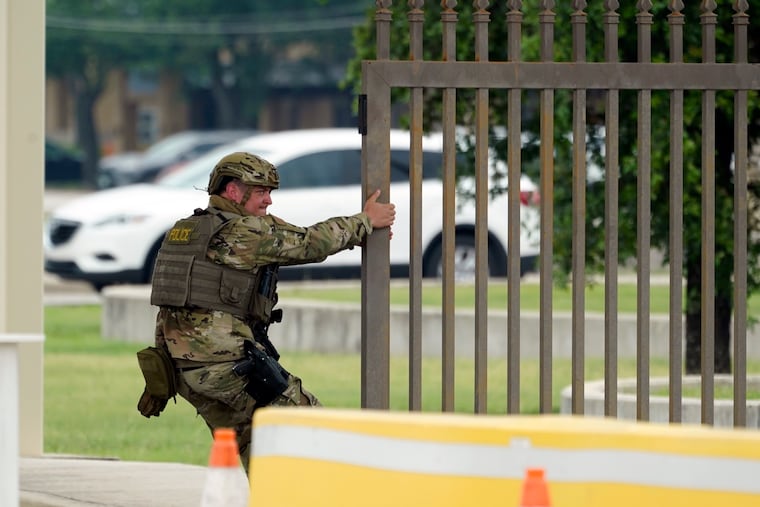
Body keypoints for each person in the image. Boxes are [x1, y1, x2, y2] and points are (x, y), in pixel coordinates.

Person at [141, 151, 395, 472]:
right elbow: (309, 242)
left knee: (257, 450)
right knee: (315, 428)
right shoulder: (244, 233)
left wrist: (360, 236)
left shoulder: (185, 231)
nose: (268, 201)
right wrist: (366, 221)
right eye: (261, 192)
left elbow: (169, 309)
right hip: (227, 369)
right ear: (233, 190)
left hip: (183, 374)